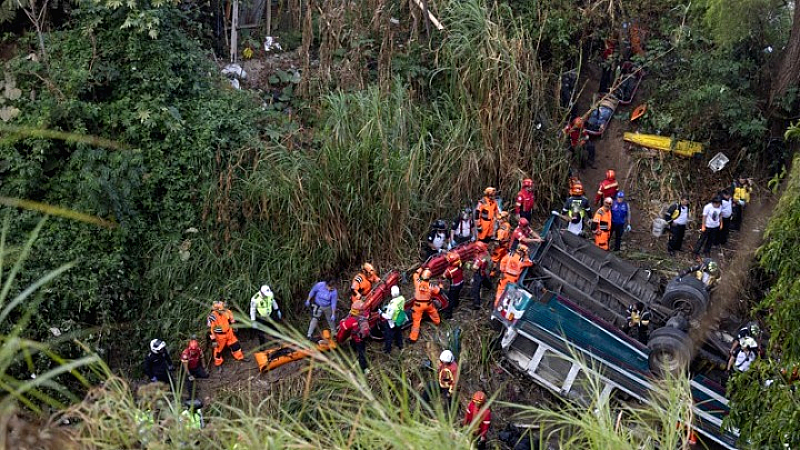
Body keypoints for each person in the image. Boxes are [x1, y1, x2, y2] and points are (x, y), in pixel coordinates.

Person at [207, 300, 248, 369]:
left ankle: (239, 357)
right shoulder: (212, 316)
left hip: (229, 332)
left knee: (235, 344)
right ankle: (218, 363)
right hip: (219, 336)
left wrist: (234, 326)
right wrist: (213, 340)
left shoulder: (227, 311)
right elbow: (211, 329)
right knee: (218, 350)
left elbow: (232, 319)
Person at [336, 300, 370, 373]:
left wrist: (342, 321)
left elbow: (344, 326)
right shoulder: (365, 314)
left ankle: (364, 368)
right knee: (357, 346)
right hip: (363, 337)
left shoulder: (352, 321)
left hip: (357, 338)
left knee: (361, 353)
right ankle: (355, 352)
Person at [409, 268, 441, 342]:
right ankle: (437, 322)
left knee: (416, 321)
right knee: (434, 312)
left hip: (418, 306)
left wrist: (421, 268)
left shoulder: (417, 282)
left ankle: (413, 338)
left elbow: (415, 274)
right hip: (428, 304)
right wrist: (440, 284)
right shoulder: (430, 286)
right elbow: (438, 291)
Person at [380, 285, 406, 354]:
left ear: (392, 293)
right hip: (399, 319)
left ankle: (387, 350)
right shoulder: (402, 299)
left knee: (388, 336)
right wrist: (388, 306)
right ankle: (400, 345)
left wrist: (381, 313)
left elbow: (388, 317)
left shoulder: (393, 305)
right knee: (399, 333)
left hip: (392, 322)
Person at [441, 251, 464, 319]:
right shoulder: (459, 264)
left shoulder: (449, 270)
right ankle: (456, 304)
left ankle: (448, 314)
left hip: (454, 285)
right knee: (456, 295)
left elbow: (443, 276)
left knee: (450, 299)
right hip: (461, 282)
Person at [470, 241, 492, 310]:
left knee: (475, 289)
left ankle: (476, 304)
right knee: (485, 280)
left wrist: (469, 266)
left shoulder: (479, 258)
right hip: (484, 271)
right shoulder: (486, 253)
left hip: (478, 274)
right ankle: (490, 287)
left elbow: (475, 268)